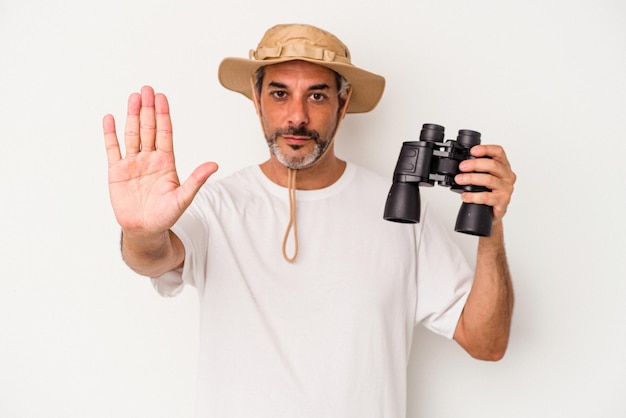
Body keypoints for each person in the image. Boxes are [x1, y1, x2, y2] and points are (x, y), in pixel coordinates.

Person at [102, 23, 515, 418]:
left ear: (344, 102)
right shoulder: (217, 205)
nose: (296, 116)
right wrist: (140, 232)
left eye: (317, 96)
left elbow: (486, 341)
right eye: (280, 93)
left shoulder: (401, 211)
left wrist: (490, 225)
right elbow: (153, 258)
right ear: (255, 96)